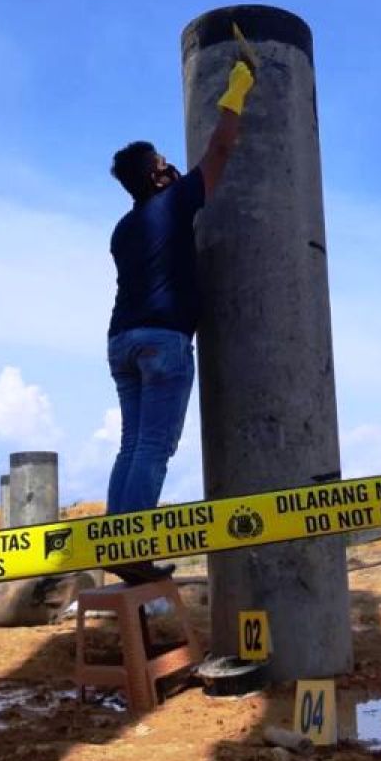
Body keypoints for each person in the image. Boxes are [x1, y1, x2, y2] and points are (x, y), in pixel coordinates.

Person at [105, 60, 255, 584]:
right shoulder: (173, 202)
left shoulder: (124, 229)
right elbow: (219, 152)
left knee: (131, 444)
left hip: (121, 340)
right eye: (165, 163)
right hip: (163, 340)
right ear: (154, 175)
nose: (173, 168)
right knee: (153, 447)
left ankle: (114, 540)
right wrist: (236, 93)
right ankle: (131, 549)